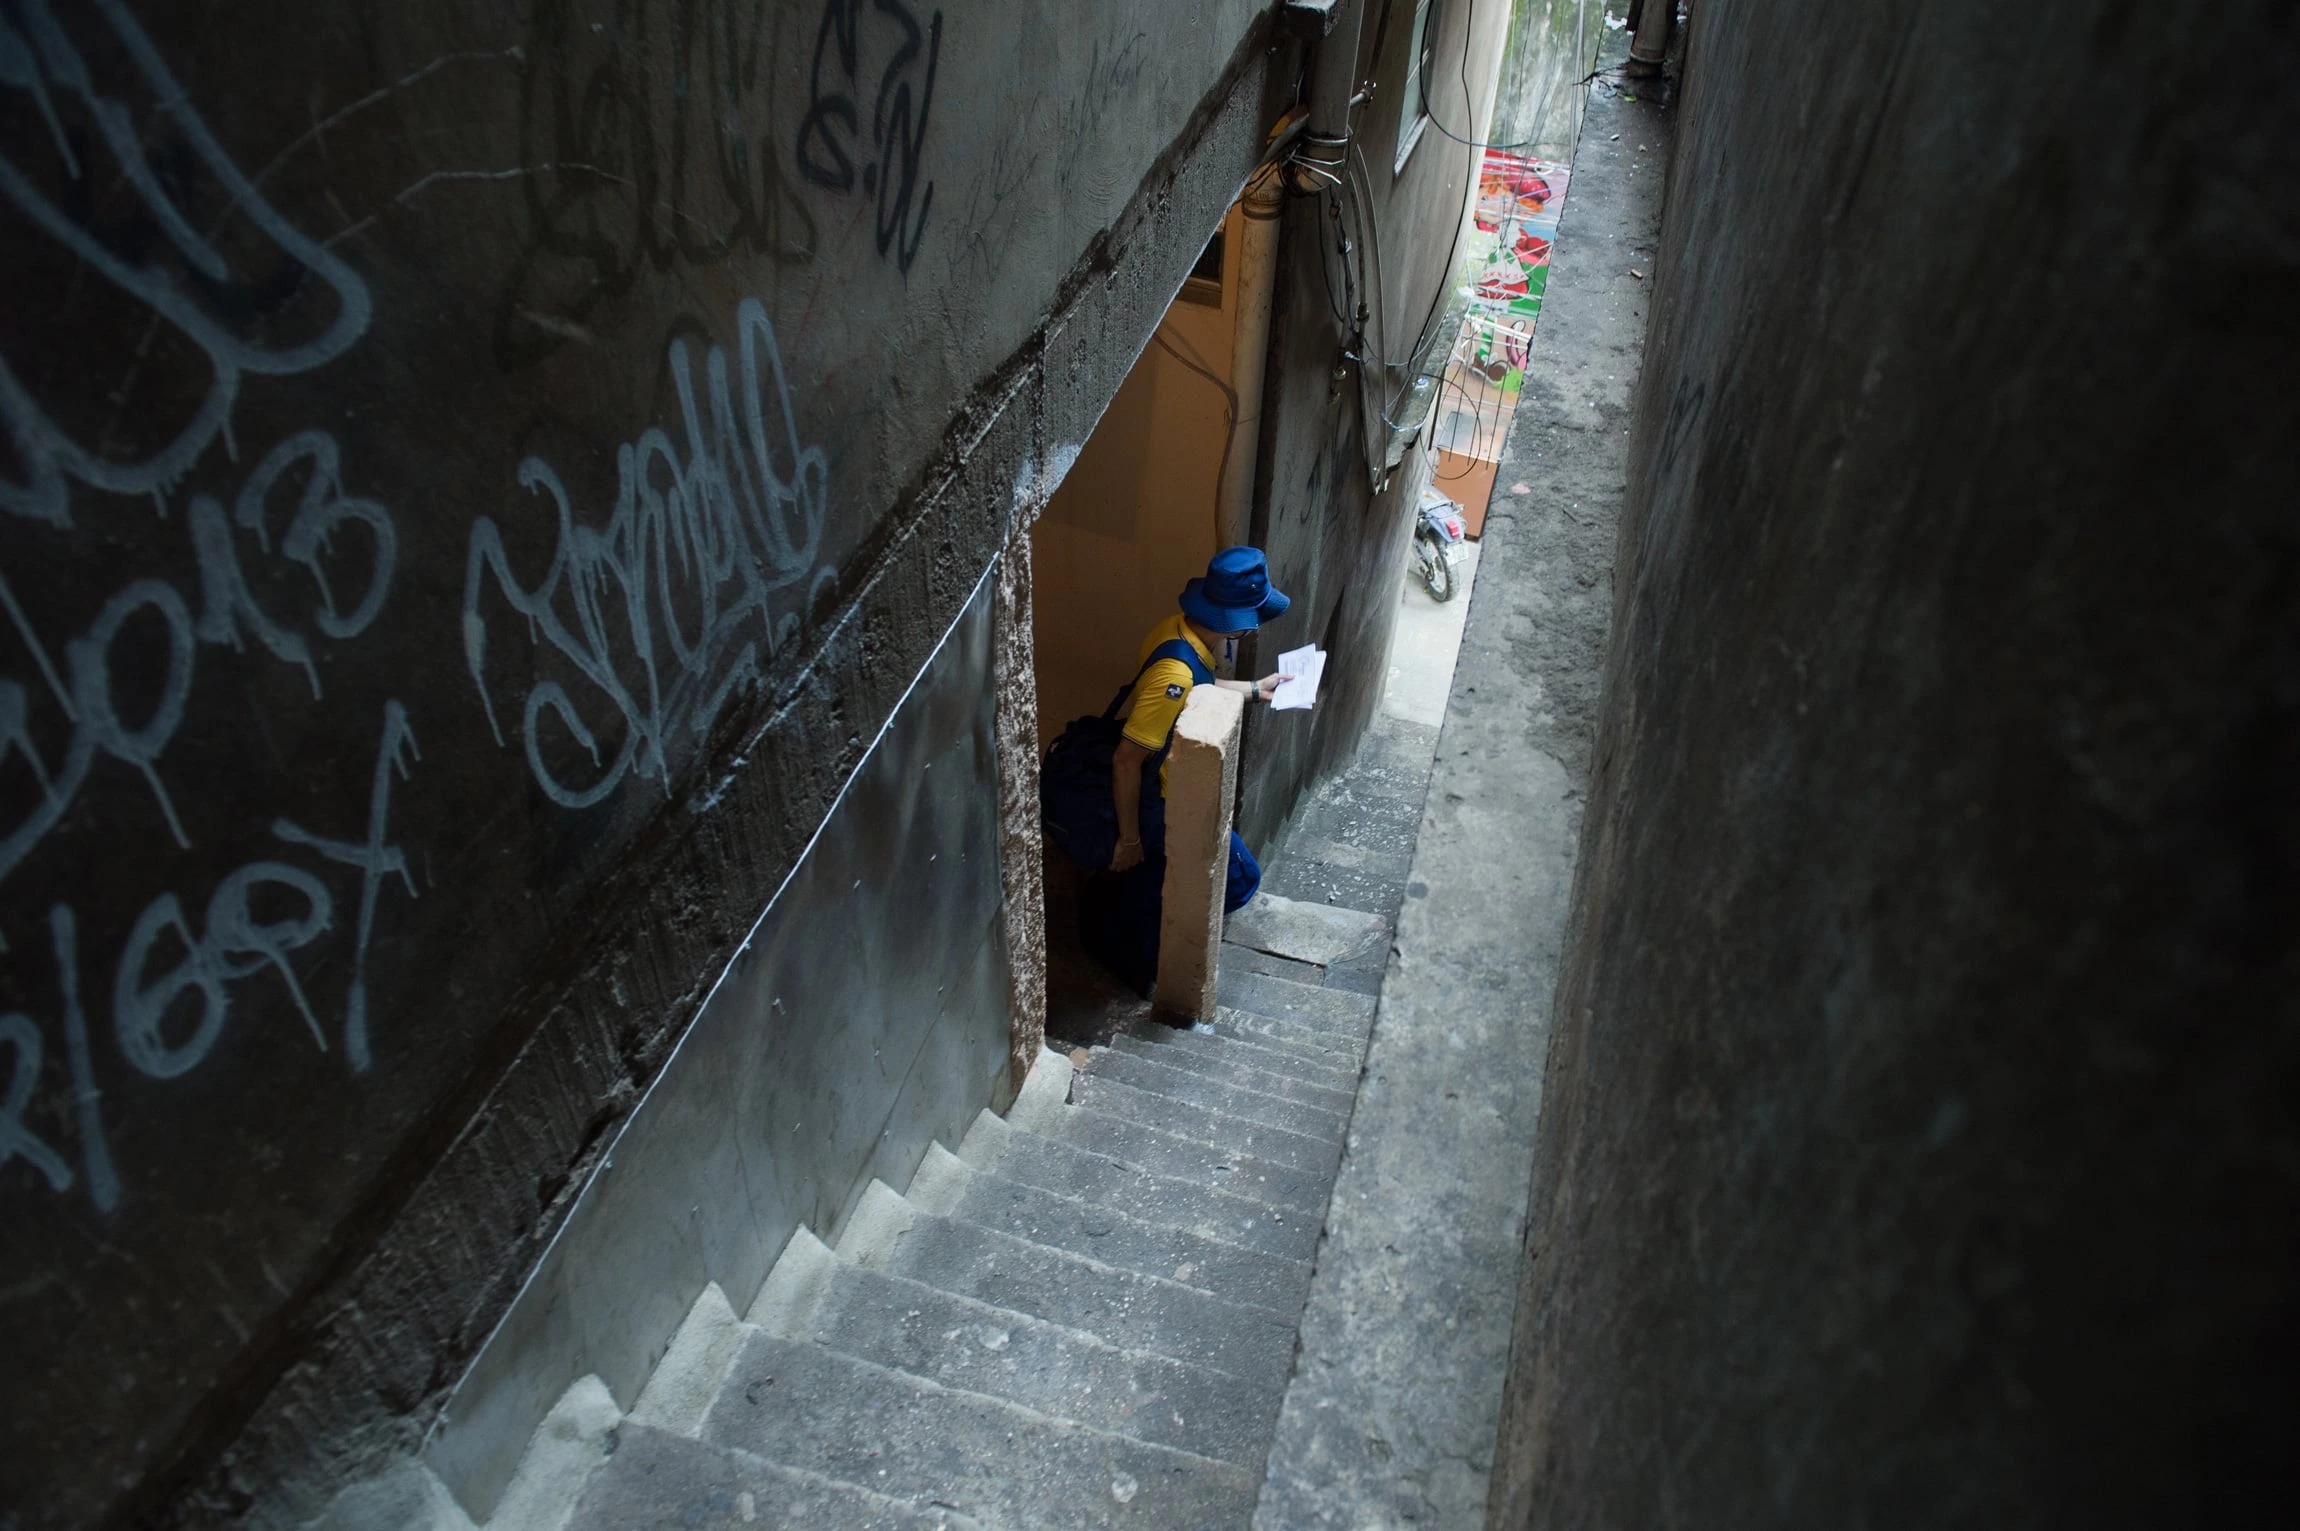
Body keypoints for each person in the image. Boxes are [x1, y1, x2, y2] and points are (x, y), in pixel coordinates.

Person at [1085, 546, 1294, 995]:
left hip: (1164, 790)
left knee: (1148, 886)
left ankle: (1130, 947)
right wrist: (1130, 838)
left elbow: (1202, 688)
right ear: (1234, 619)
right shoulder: (1173, 674)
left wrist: (1257, 690)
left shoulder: (1181, 634)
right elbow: (1127, 759)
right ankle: (1136, 954)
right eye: (1254, 615)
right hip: (1158, 800)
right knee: (1238, 879)